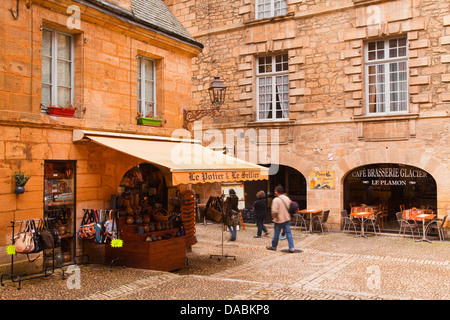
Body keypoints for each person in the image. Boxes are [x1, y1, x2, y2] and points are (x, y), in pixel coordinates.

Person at [266, 185, 295, 253]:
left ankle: (273, 246)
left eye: (275, 191)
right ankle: (292, 247)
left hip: (279, 219)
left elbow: (274, 211)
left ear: (277, 192)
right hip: (287, 218)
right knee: (288, 233)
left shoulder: (276, 200)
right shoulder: (287, 198)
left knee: (276, 233)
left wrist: (274, 216)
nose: (274, 192)